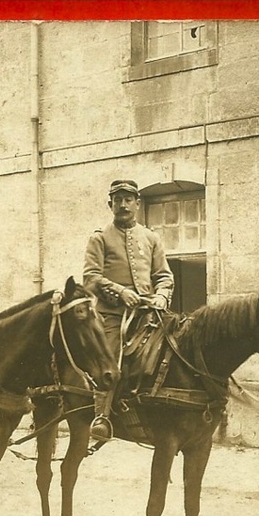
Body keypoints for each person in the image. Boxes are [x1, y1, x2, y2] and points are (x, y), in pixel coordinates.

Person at [83, 179, 175, 441]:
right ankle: (101, 416)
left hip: (149, 313)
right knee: (110, 358)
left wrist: (161, 297)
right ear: (110, 204)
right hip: (113, 315)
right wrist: (121, 292)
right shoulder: (99, 238)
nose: (123, 204)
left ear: (137, 203)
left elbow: (164, 277)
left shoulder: (151, 238)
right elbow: (90, 278)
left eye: (128, 199)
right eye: (118, 200)